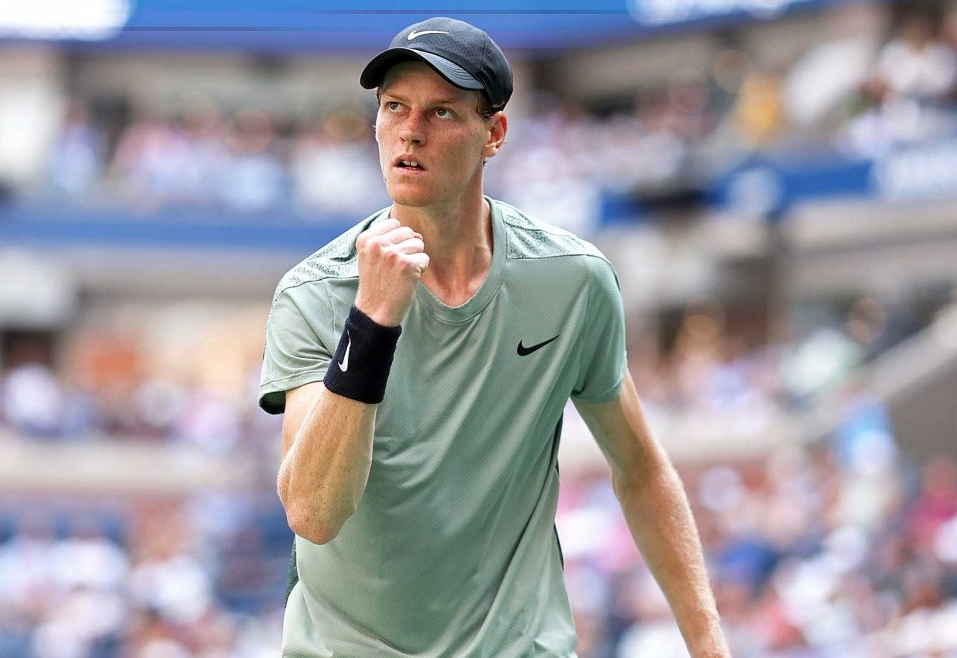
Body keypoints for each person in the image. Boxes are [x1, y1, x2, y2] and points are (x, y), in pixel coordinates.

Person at [258, 16, 729, 657]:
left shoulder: (573, 281)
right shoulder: (315, 292)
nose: (410, 130)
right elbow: (313, 512)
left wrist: (709, 645)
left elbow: (641, 470)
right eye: (394, 106)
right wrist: (371, 321)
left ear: (495, 133)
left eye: (443, 112)